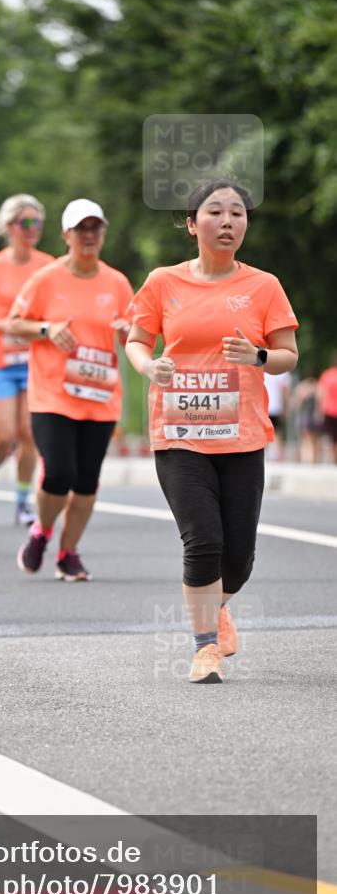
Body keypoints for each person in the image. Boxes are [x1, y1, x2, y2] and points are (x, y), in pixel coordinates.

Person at [125, 178, 298, 684]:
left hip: (242, 435)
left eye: (238, 214)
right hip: (179, 431)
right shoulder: (163, 282)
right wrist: (147, 366)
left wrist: (259, 356)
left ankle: (217, 607)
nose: (228, 222)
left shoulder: (263, 286)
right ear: (191, 222)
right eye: (216, 212)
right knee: (203, 540)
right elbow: (137, 340)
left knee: (238, 559)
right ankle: (204, 648)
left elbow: (288, 356)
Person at [11, 199, 133, 580]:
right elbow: (15, 323)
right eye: (82, 229)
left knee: (85, 484)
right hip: (53, 394)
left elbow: (135, 334)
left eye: (96, 228)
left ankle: (68, 552)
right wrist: (47, 329)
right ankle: (42, 532)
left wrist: (131, 334)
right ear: (66, 235)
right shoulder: (45, 279)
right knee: (58, 473)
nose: (90, 236)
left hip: (99, 397)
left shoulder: (116, 283)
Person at [0, 194, 54, 524]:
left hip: (34, 359)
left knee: (29, 434)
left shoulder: (47, 265)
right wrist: (4, 324)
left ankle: (22, 500)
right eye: (26, 223)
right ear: (9, 227)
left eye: (38, 223)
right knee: (4, 435)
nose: (33, 229)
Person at [291, 371, 322, 463]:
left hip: (308, 415)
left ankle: (311, 458)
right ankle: (308, 458)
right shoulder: (312, 387)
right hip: (306, 415)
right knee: (308, 437)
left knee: (310, 437)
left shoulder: (310, 387)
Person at [263, 370, 291, 459]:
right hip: (276, 407)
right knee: (277, 432)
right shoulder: (282, 371)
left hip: (264, 407)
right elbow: (285, 390)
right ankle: (277, 454)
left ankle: (267, 453)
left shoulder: (261, 368)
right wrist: (286, 407)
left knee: (264, 432)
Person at [318, 352, 337, 463]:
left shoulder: (327, 375)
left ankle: (334, 459)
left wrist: (319, 411)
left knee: (332, 438)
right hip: (331, 411)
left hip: (329, 411)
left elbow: (321, 394)